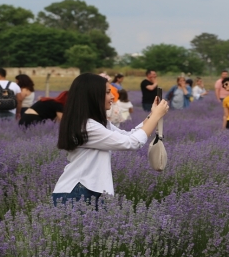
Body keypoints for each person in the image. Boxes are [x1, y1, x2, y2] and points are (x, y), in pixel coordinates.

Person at [53, 73, 169, 208]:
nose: (113, 97)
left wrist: (152, 114)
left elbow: (130, 135)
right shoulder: (87, 127)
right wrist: (155, 116)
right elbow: (132, 142)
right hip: (77, 192)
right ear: (93, 96)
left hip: (91, 190)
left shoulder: (97, 124)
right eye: (108, 92)